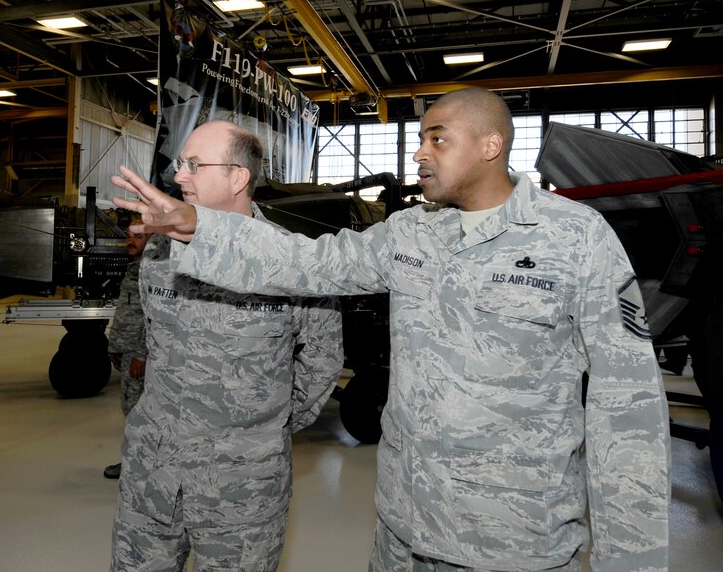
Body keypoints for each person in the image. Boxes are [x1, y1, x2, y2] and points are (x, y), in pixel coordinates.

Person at [111, 88, 671, 571]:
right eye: (420, 138)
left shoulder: (575, 238)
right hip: (405, 529)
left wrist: (632, 557)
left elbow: (628, 410)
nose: (418, 152)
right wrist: (198, 225)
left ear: (489, 146)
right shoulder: (409, 235)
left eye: (437, 139)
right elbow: (309, 264)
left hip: (513, 536)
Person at [109, 120, 344, 572]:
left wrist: (261, 426)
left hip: (241, 490)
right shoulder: (160, 255)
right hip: (152, 476)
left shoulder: (294, 262)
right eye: (180, 164)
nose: (179, 176)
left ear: (238, 178)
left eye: (194, 165)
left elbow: (322, 361)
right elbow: (153, 342)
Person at [104, 220, 150, 480]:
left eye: (138, 237)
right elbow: (127, 313)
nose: (131, 242)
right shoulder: (133, 269)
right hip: (127, 349)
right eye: (129, 237)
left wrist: (142, 355)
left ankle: (136, 467)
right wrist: (116, 345)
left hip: (139, 355)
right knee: (131, 410)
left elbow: (152, 316)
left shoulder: (149, 272)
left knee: (137, 413)